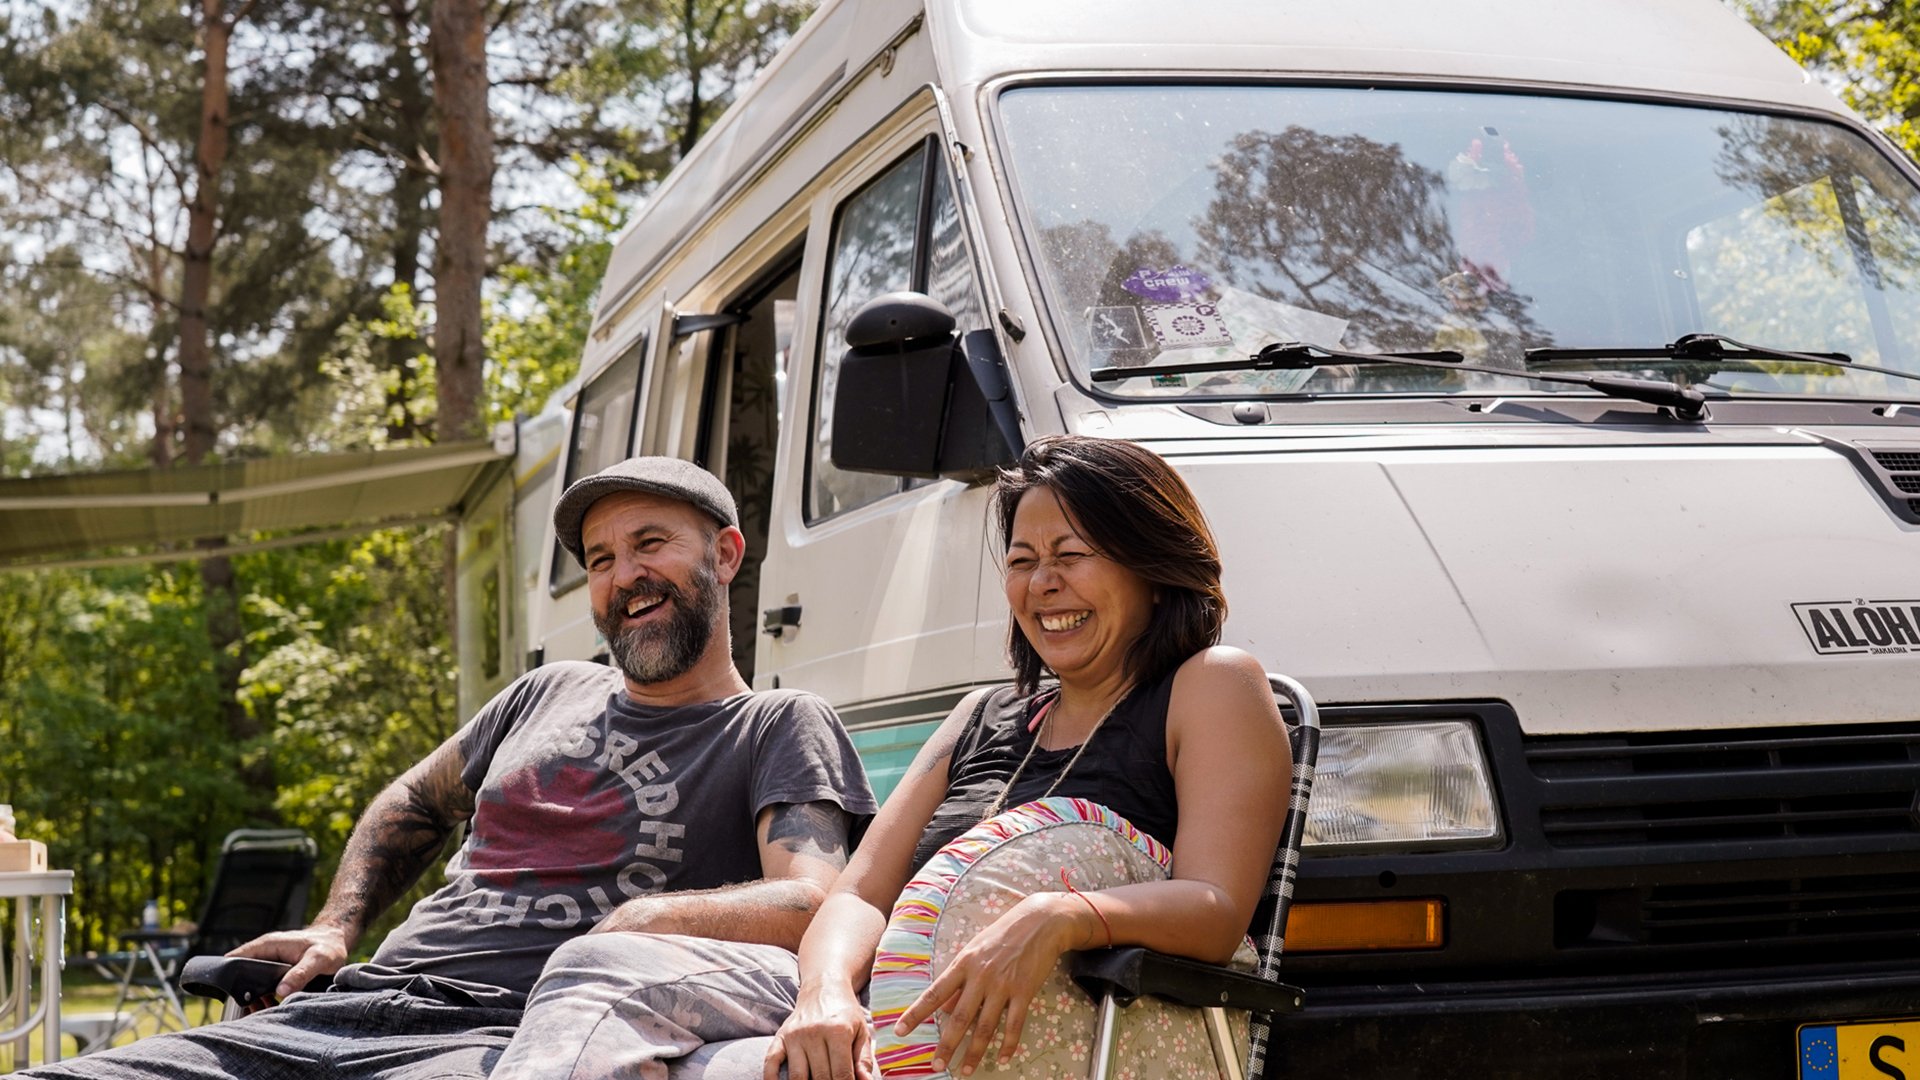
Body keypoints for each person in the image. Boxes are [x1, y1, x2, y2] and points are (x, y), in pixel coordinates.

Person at [24, 456, 877, 1080]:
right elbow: (414, 801)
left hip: (506, 1034)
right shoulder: (544, 692)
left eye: (651, 544)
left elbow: (809, 899)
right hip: (345, 1008)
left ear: (725, 555)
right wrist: (335, 925)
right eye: (603, 560)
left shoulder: (776, 723)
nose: (625, 577)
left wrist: (649, 917)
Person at [764, 434, 1292, 1080]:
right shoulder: (977, 718)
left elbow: (1215, 910)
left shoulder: (1210, 687)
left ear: (1153, 571)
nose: (1043, 584)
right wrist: (825, 992)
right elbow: (860, 896)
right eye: (1022, 561)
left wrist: (1063, 915)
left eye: (1072, 555)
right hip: (873, 1038)